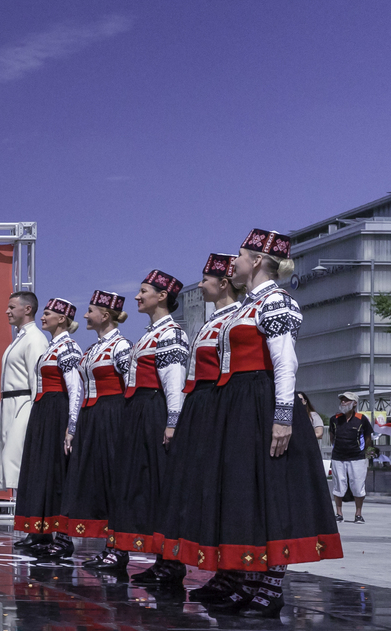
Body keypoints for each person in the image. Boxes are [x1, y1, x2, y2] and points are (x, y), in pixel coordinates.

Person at [190, 229, 343, 616]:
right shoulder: (246, 307)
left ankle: (271, 586)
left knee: (271, 492)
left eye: (241, 255)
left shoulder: (277, 301)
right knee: (246, 493)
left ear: (257, 260)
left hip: (261, 399)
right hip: (239, 403)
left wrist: (282, 418)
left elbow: (285, 363)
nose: (235, 262)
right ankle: (248, 579)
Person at [156, 253, 243, 599]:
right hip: (201, 406)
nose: (202, 284)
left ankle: (234, 572)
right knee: (203, 489)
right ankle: (221, 570)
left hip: (218, 403)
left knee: (223, 489)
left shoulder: (236, 317)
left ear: (223, 283)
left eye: (206, 279)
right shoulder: (210, 321)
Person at [107, 270, 190, 585]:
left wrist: (172, 423)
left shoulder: (170, 333)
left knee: (157, 483)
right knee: (141, 483)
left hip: (154, 409)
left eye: (144, 291)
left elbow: (174, 383)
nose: (138, 296)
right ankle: (158, 558)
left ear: (162, 296)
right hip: (139, 411)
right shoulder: (150, 334)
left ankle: (170, 561)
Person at [56, 290, 132, 573]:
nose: (86, 315)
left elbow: (130, 385)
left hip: (112, 416)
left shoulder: (121, 346)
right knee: (93, 481)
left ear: (106, 315)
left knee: (112, 480)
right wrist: (73, 426)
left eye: (90, 311)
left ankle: (117, 548)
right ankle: (103, 545)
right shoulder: (91, 350)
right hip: (92, 417)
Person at [12, 298, 83, 559]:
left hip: (57, 411)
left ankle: (63, 536)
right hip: (43, 411)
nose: (42, 317)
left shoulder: (69, 348)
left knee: (57, 471)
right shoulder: (52, 347)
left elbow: (75, 389)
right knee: (41, 470)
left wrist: (71, 425)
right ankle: (41, 531)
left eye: (48, 313)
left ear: (62, 319)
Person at [0, 291, 48, 530]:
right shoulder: (19, 338)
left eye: (12, 307)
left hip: (24, 405)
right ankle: (27, 524)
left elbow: (37, 379)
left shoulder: (34, 339)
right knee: (12, 466)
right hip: (9, 406)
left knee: (22, 466)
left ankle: (35, 527)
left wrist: (36, 413)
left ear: (27, 309)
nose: (7, 311)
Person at [330, 392, 374, 523]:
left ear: (354, 403)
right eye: (342, 400)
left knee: (358, 485)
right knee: (338, 485)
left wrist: (365, 453)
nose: (343, 402)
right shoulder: (334, 419)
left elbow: (368, 437)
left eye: (347, 400)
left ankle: (358, 514)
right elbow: (332, 437)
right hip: (338, 457)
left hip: (357, 458)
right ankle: (339, 513)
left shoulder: (362, 419)